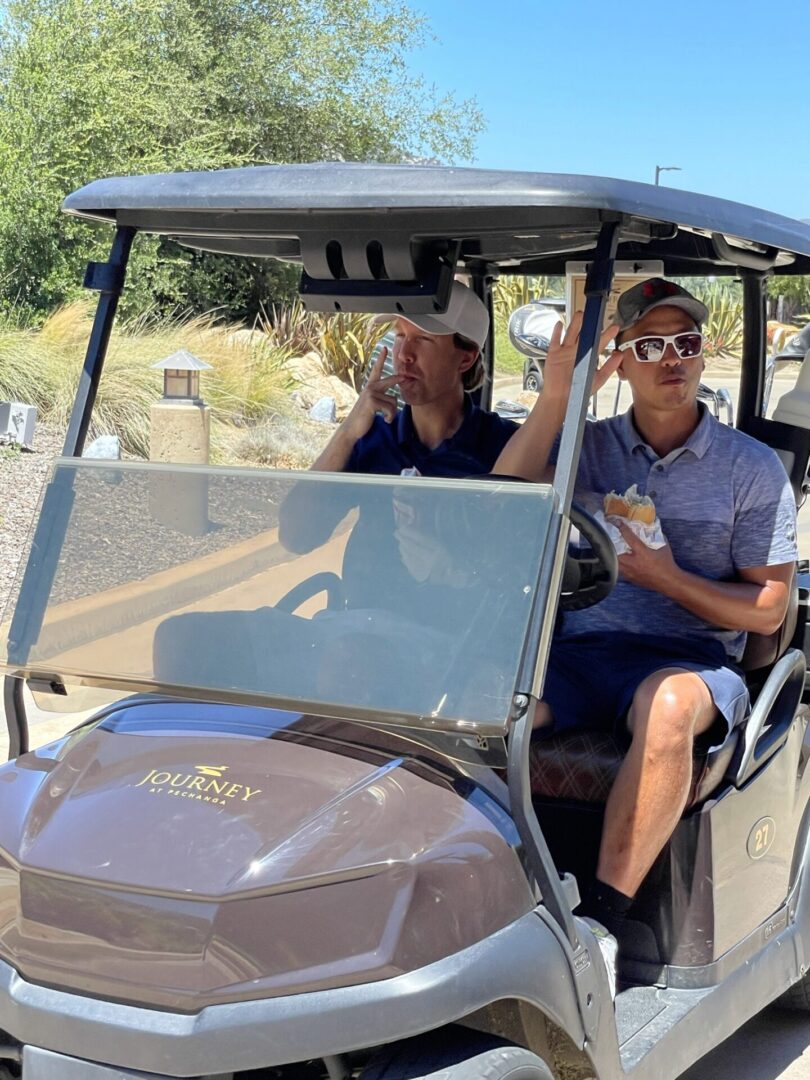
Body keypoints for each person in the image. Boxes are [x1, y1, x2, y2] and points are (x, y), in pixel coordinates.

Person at [495, 277, 798, 933]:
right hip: (577, 657)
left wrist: (665, 578)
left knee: (663, 708)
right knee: (483, 705)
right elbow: (507, 495)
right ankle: (480, 896)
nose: (672, 358)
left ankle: (603, 922)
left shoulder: (748, 468)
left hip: (688, 660)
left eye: (685, 343)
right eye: (651, 344)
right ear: (622, 362)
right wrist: (559, 395)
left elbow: (770, 610)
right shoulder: (590, 446)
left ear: (702, 352)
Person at [279, 281, 519, 607]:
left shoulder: (507, 447)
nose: (404, 355)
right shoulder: (374, 437)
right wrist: (348, 431)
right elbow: (296, 536)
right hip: (362, 630)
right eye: (401, 335)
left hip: (458, 643)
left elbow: (518, 571)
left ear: (465, 359)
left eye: (423, 339)